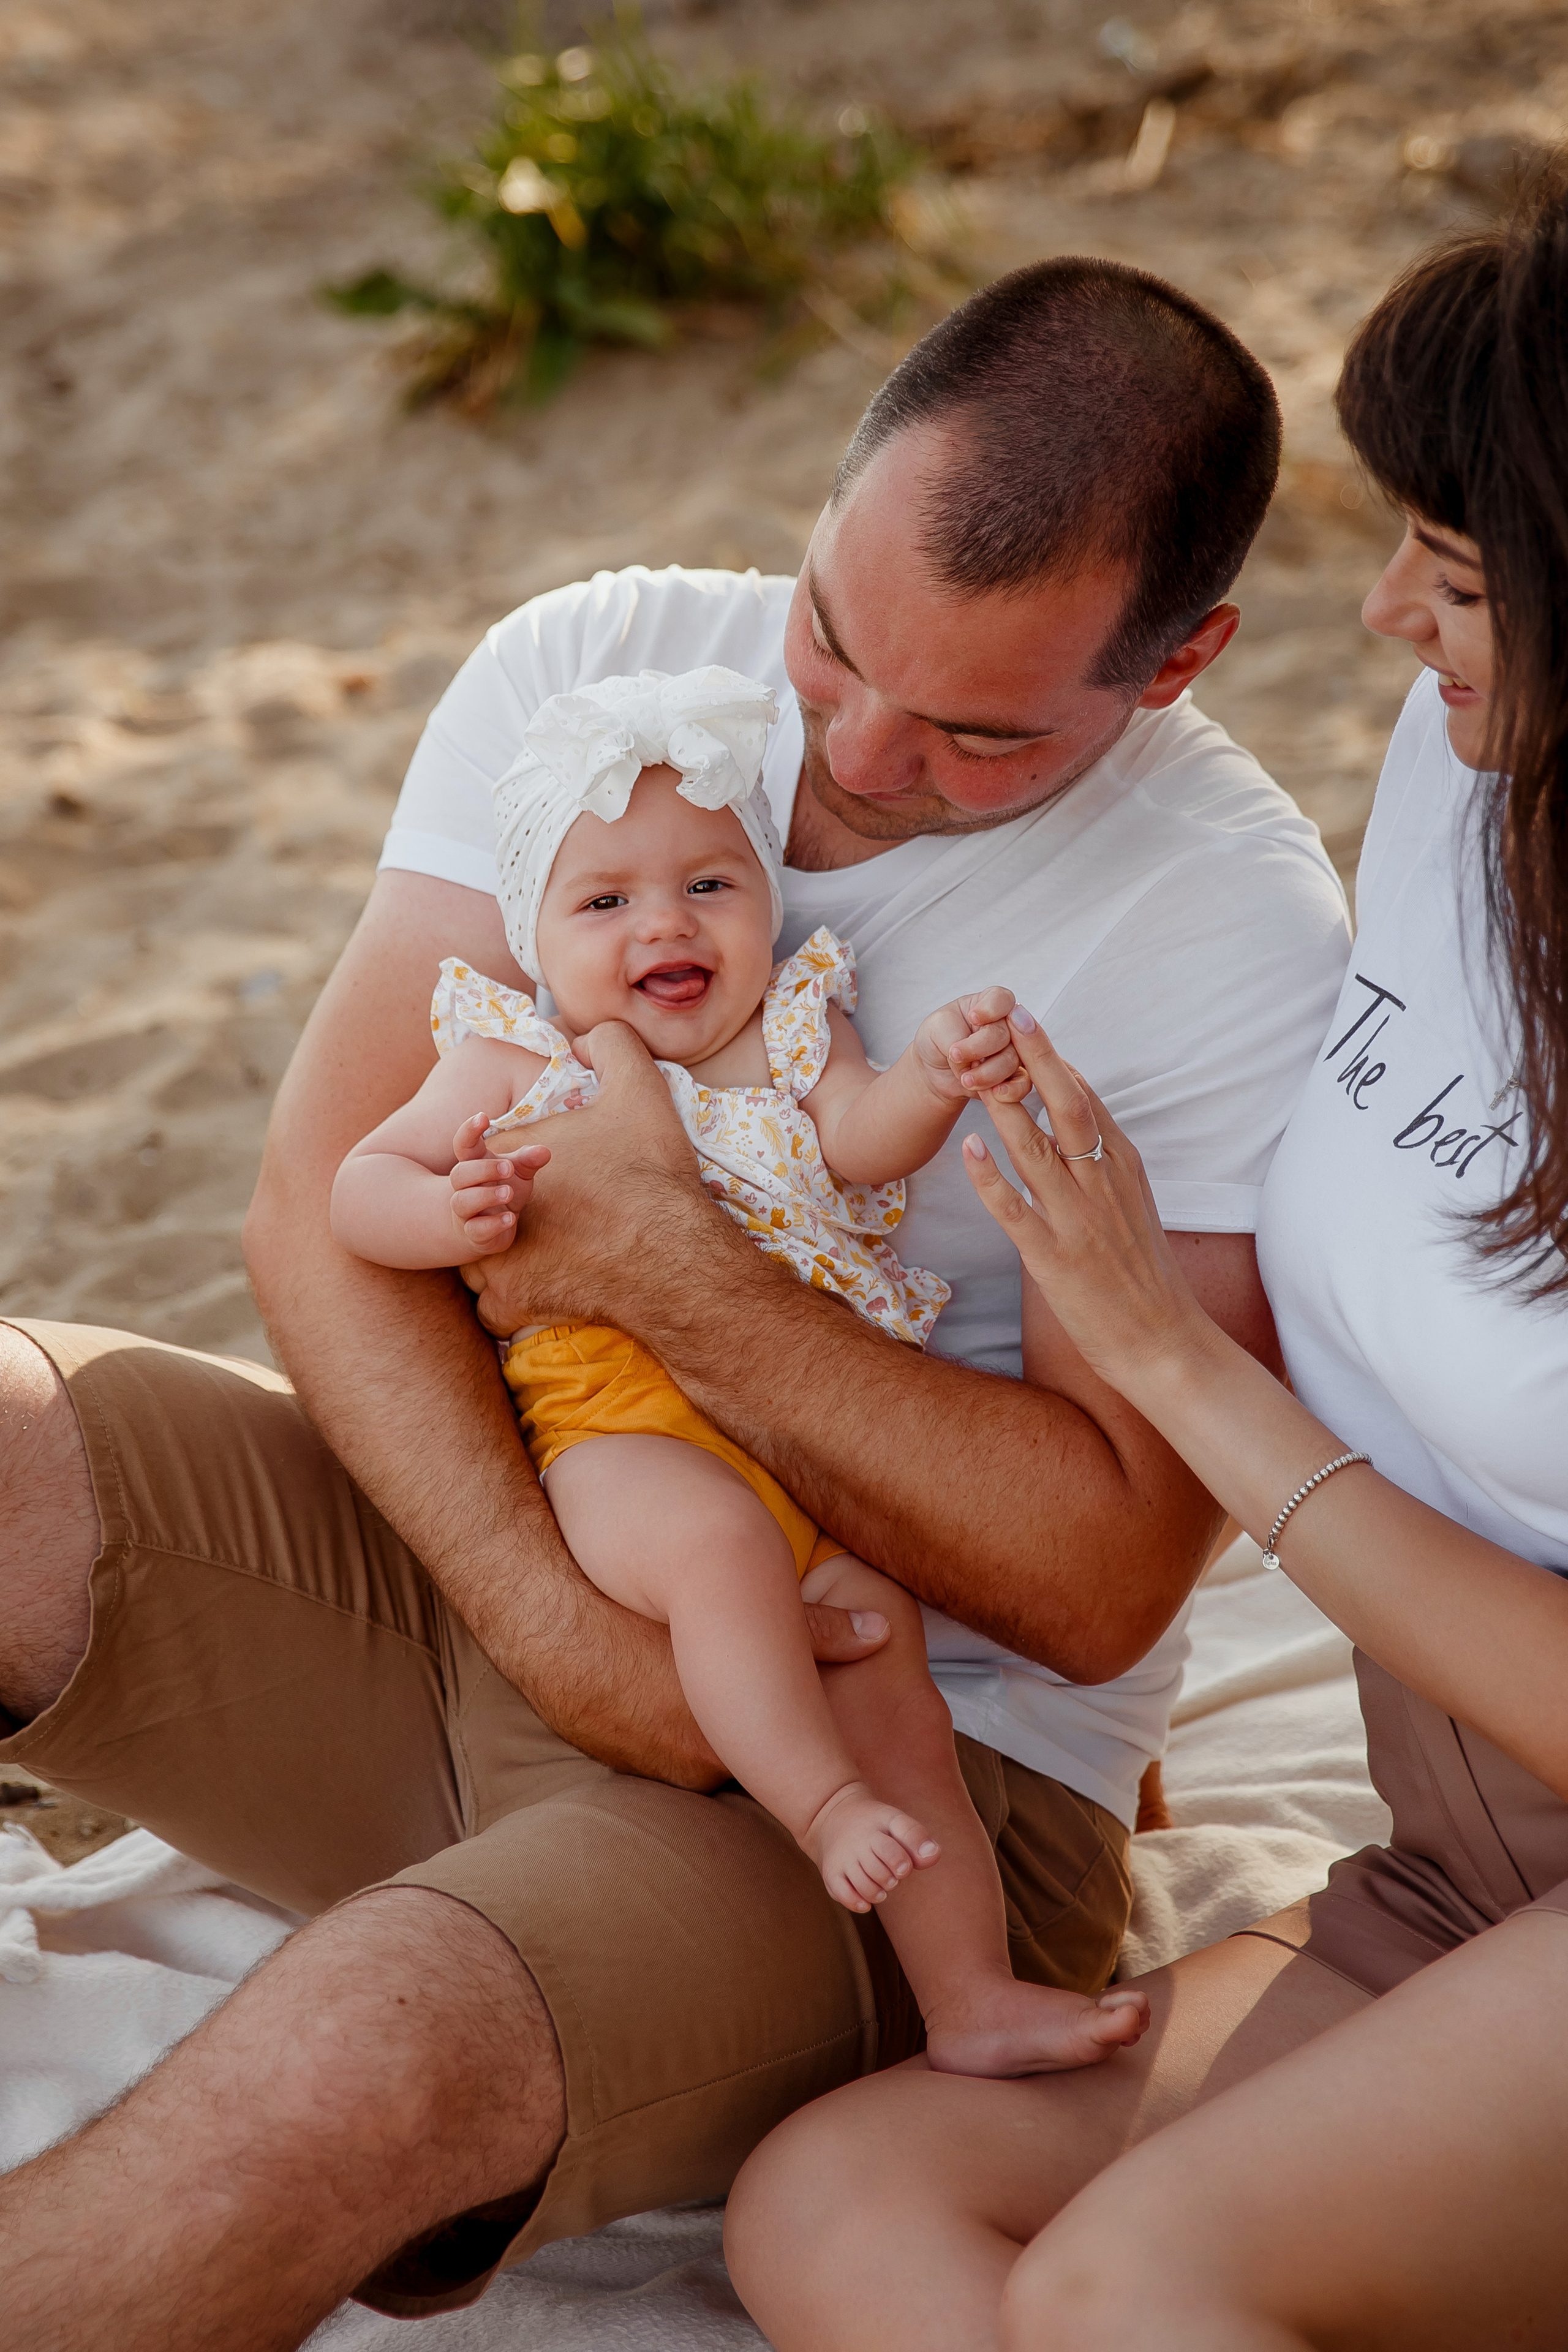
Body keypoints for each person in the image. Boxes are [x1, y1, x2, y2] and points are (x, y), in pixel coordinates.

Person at [0, 257, 1348, 2351]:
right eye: (828, 639)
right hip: (506, 1568)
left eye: (976, 732)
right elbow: (312, 1210)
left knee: (361, 2046)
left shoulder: (1227, 928)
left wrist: (681, 1277)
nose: (850, 756)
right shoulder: (601, 667)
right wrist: (570, 1634)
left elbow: (1098, 1581)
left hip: (898, 1771)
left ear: (1180, 667)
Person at [725, 179, 1568, 2352]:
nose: (1384, 612)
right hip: (1461, 1871)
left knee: (1131, 2281)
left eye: (1459, 575)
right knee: (843, 2202)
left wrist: (1184, 1384)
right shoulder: (1461, 777)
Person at [333, 662, 1153, 2075]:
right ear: (534, 935)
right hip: (620, 1426)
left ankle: (968, 1997)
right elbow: (356, 1184)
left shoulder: (789, 1027)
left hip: (802, 1439)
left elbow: (858, 1136)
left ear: (768, 906)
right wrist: (440, 1210)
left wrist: (935, 1075)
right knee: (716, 1554)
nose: (665, 923)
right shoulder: (517, 1048)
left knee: (888, 1662)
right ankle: (820, 1807)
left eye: (710, 886)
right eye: (605, 904)